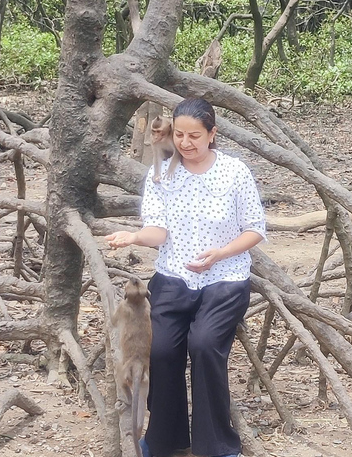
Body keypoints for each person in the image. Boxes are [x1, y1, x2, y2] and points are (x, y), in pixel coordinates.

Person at [105, 97, 266, 457]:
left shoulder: (234, 172)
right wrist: (133, 236)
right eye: (179, 135)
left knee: (205, 345)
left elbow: (255, 230)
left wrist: (222, 253)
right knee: (161, 350)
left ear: (212, 134)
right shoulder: (162, 173)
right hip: (174, 277)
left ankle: (217, 445)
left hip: (225, 278)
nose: (186, 143)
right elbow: (158, 232)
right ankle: (165, 439)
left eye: (195, 135)